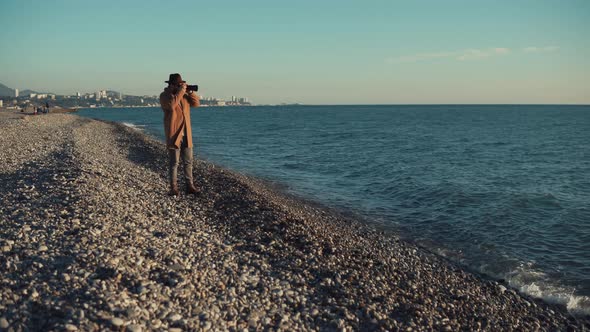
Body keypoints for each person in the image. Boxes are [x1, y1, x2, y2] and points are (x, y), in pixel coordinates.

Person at [159, 73, 200, 196]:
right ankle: (174, 188)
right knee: (174, 163)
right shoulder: (164, 96)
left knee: (188, 161)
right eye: (178, 85)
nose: (180, 86)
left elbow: (196, 104)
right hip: (174, 134)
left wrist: (190, 92)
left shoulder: (183, 95)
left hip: (186, 133)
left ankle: (190, 186)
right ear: (171, 85)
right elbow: (171, 105)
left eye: (181, 84)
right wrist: (181, 92)